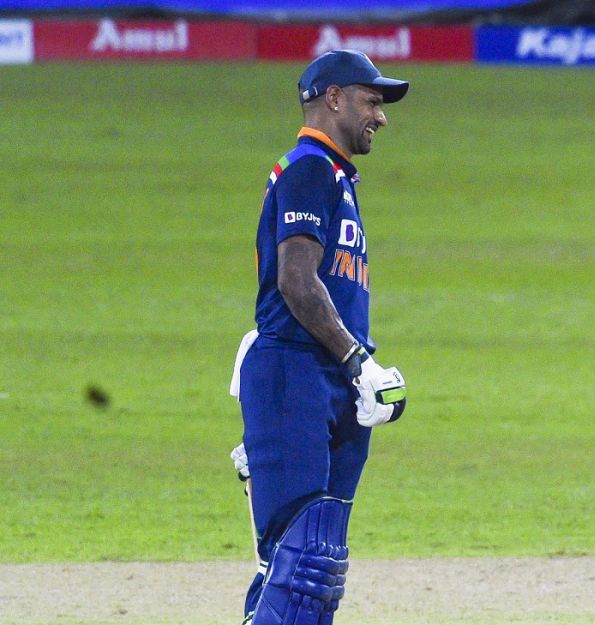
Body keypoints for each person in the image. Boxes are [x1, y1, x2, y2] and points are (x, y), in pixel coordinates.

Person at [230, 49, 411, 625]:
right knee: (300, 563)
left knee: (317, 567)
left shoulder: (334, 178)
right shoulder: (309, 169)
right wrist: (358, 362)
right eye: (371, 101)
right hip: (299, 372)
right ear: (334, 99)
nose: (381, 116)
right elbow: (296, 280)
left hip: (326, 381)